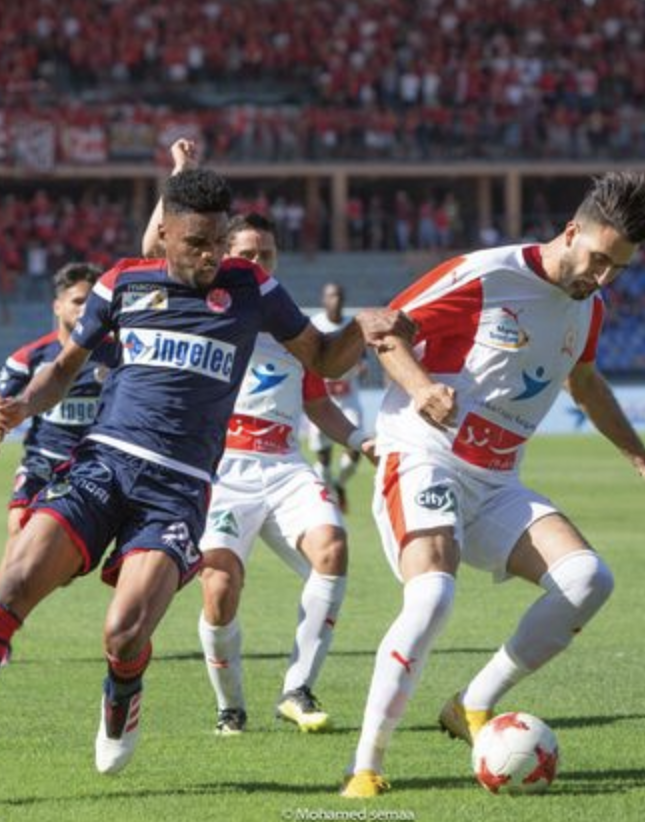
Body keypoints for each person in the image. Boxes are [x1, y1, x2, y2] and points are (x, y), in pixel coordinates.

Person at [0, 167, 411, 803]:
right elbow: (64, 369)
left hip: (178, 489)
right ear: (163, 235)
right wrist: (23, 405)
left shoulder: (250, 287)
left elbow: (323, 358)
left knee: (125, 632)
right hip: (102, 465)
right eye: (197, 243)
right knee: (14, 581)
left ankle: (123, 691)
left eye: (218, 241)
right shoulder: (122, 282)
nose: (211, 256)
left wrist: (361, 329)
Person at [340, 171, 645, 798]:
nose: (603, 277)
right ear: (570, 232)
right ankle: (366, 766)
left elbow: (584, 383)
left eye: (618, 269)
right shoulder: (487, 274)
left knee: (588, 579)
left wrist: (641, 461)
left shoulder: (589, 306)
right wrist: (422, 387)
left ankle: (472, 703)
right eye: (598, 259)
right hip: (423, 455)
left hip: (496, 483)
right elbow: (386, 331)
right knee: (432, 597)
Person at [197, 213, 375, 735]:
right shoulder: (202, 315)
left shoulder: (295, 328)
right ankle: (230, 708)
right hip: (223, 471)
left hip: (283, 465)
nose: (257, 263)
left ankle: (297, 689)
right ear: (224, 255)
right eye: (246, 255)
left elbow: (317, 403)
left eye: (266, 255)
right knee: (220, 588)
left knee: (332, 549)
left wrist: (362, 441)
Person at [0, 262, 118, 595]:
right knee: (18, 525)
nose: (84, 309)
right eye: (77, 301)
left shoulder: (117, 352)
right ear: (57, 306)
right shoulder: (31, 356)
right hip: (43, 457)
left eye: (90, 302)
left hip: (93, 464)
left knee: (57, 564)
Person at [308, 283, 367, 512]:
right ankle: (326, 499)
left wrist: (362, 366)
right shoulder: (315, 325)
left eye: (339, 296)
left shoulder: (352, 326)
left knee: (357, 447)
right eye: (332, 296)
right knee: (323, 457)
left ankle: (339, 484)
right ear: (324, 300)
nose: (336, 300)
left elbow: (362, 357)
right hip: (321, 398)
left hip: (349, 398)